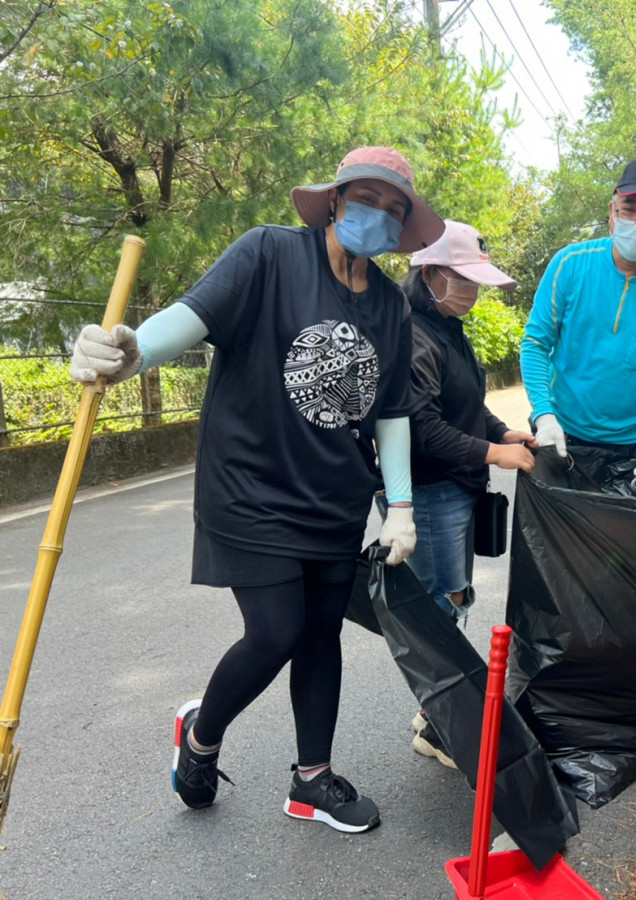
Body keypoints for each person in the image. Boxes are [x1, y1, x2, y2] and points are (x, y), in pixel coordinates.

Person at [69, 146, 444, 832]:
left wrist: (402, 508)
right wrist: (129, 352)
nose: (379, 217)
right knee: (276, 631)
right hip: (250, 489)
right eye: (366, 199)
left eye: (394, 211)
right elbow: (186, 321)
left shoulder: (391, 306)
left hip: (334, 497)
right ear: (333, 201)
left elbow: (390, 412)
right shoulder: (269, 255)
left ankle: (312, 780)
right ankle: (200, 737)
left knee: (322, 633)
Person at [520, 157, 636, 709]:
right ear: (612, 210)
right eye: (631, 208)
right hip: (562, 446)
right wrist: (544, 414)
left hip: (635, 450)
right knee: (557, 570)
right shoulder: (570, 266)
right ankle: (561, 667)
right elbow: (536, 344)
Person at [400, 220, 536, 768]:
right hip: (430, 490)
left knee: (452, 597)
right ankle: (440, 725)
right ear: (430, 273)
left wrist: (502, 433)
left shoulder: (447, 326)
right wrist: (491, 454)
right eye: (466, 280)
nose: (475, 293)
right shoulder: (412, 333)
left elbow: (466, 404)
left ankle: (440, 707)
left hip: (454, 487)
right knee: (438, 604)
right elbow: (419, 426)